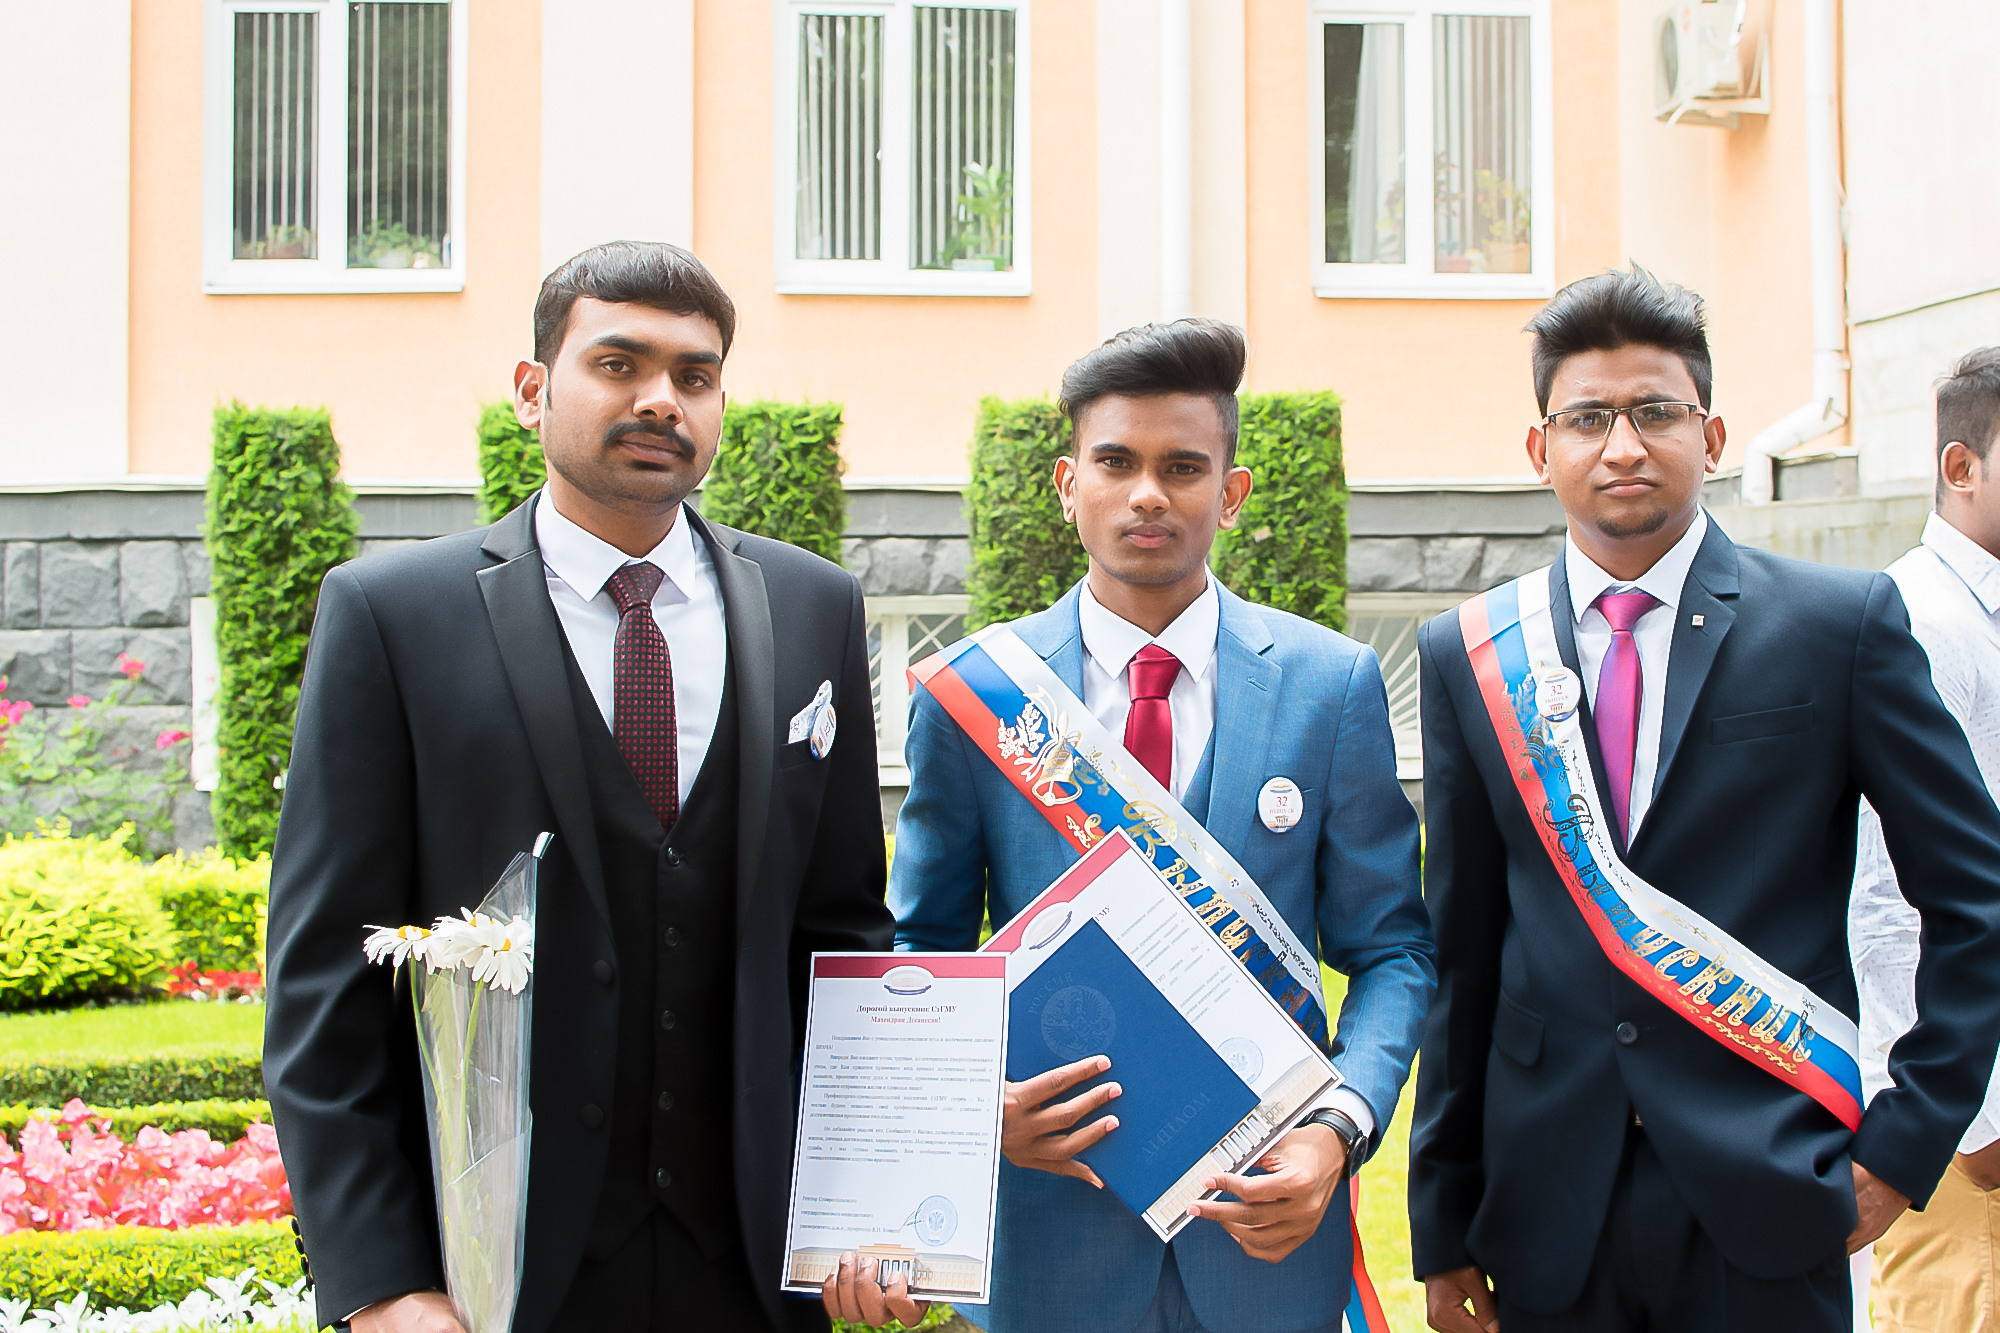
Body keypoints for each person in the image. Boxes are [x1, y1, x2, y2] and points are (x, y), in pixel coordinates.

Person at [263, 241, 893, 1333]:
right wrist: (380, 1283)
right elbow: (327, 975)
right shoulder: (392, 614)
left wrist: (874, 1204)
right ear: (531, 389)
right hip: (494, 1275)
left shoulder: (813, 606)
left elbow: (841, 939)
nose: (660, 399)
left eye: (694, 376)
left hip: (752, 1272)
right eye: (617, 363)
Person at [1409, 267, 2000, 1333]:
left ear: (1712, 434)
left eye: (1655, 412)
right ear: (1540, 448)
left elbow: (1974, 902)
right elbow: (1465, 954)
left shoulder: (1839, 625)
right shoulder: (1469, 653)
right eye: (1587, 417)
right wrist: (1442, 1223)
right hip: (1548, 1203)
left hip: (1772, 1188)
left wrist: (1904, 1144)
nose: (1621, 445)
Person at [865, 319, 1435, 1333]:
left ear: (1232, 491)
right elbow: (925, 950)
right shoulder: (977, 698)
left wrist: (1336, 1130)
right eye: (1115, 462)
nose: (1147, 495)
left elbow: (1390, 950)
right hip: (1050, 1255)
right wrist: (975, 1106)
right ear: (1066, 482)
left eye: (1182, 467)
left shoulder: (1330, 686)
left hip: (1264, 1249)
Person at [1850, 347, 2000, 1332]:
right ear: (1960, 466)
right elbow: (1885, 898)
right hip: (1965, 1142)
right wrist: (1971, 1122)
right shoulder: (1923, 622)